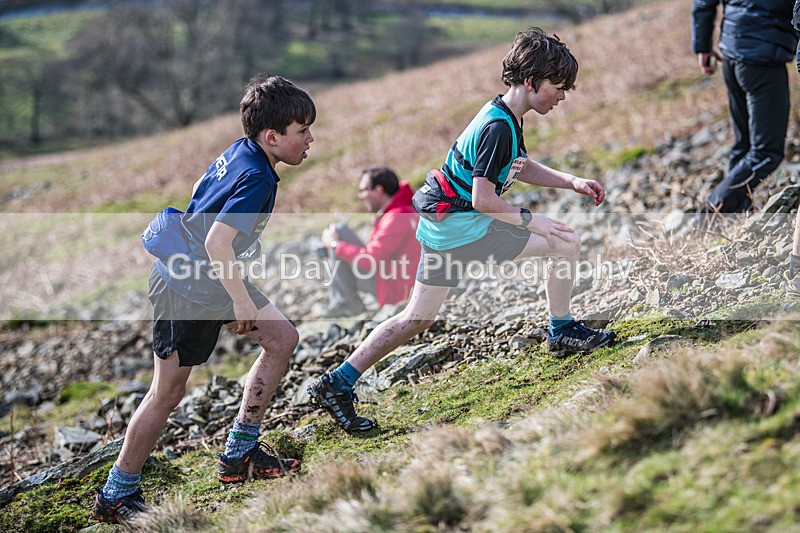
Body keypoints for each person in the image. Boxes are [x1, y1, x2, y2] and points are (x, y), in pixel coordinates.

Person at [307, 27, 615, 434]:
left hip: (443, 231)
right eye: (558, 88)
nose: (562, 96)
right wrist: (531, 219)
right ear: (530, 81)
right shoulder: (498, 127)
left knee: (417, 317)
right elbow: (484, 199)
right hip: (465, 231)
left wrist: (570, 181)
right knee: (565, 241)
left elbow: (517, 165)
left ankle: (337, 381)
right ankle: (562, 332)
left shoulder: (502, 115)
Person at [91, 74, 315, 523]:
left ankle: (239, 452)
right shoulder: (258, 178)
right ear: (272, 136)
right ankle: (116, 493)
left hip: (204, 278)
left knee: (282, 339)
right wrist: (241, 302)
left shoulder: (241, 150)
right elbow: (217, 243)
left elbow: (201, 194)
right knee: (166, 393)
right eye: (303, 130)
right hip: (190, 288)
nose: (310, 139)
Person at [691, 0, 798, 215]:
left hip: (732, 52)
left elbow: (704, 2)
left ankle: (734, 215)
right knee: (766, 153)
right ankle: (712, 210)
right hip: (763, 59)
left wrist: (702, 45)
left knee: (745, 144)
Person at [318, 166, 421, 317]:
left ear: (378, 191)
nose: (361, 196)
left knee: (339, 233)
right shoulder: (405, 211)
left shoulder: (396, 217)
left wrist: (335, 245)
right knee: (338, 236)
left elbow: (370, 260)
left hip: (396, 290)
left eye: (363, 190)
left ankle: (347, 302)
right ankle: (342, 300)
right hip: (398, 281)